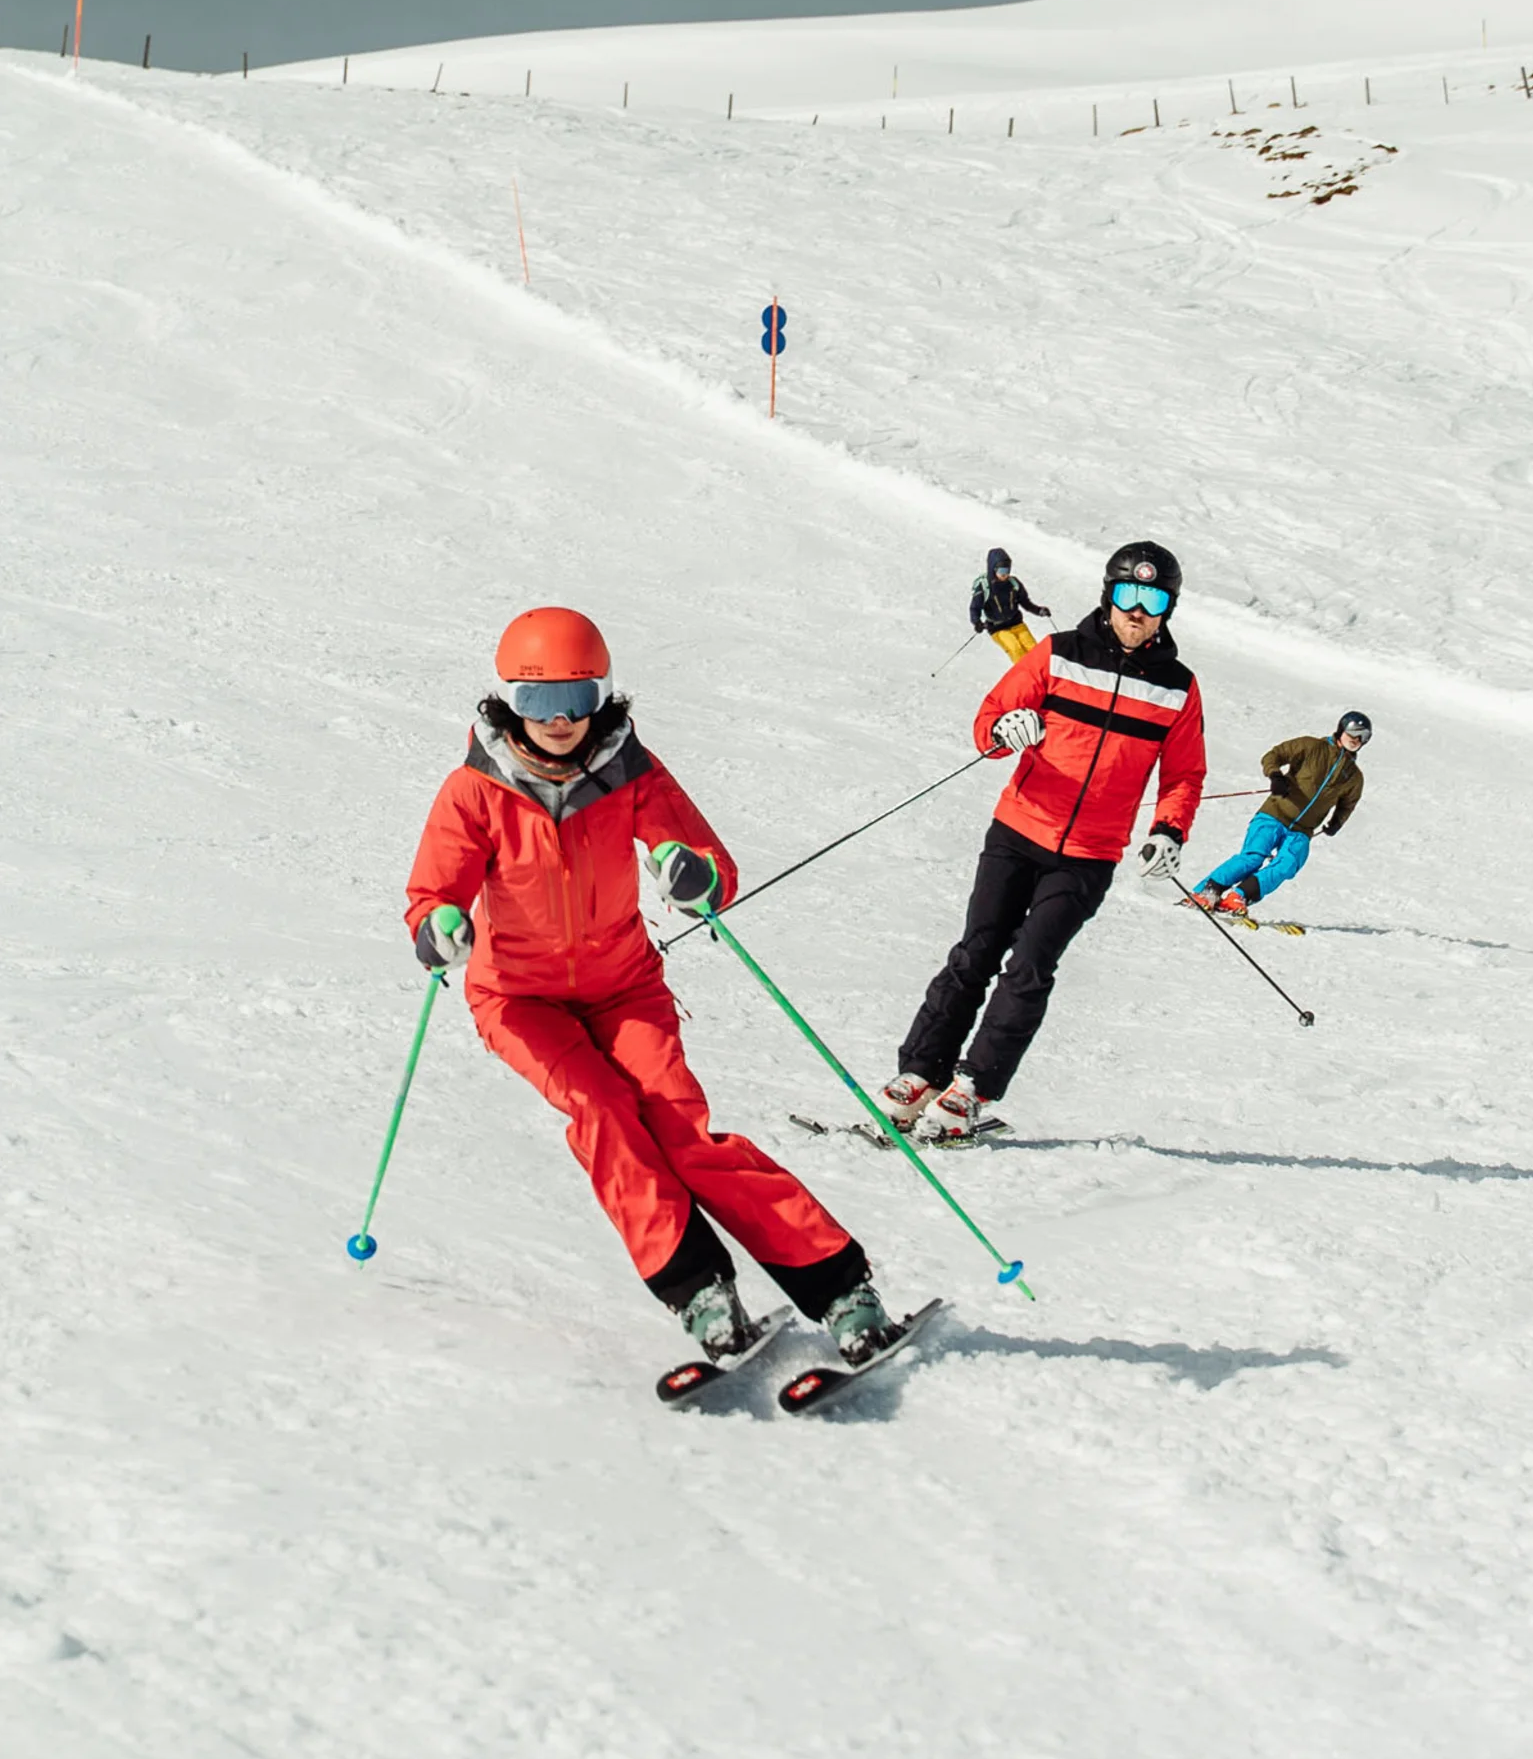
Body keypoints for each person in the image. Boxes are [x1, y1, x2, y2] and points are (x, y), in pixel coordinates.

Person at [404, 606, 905, 1367]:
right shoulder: (475, 790)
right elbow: (433, 891)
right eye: (540, 702)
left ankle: (840, 1288)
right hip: (519, 998)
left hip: (624, 985)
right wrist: (439, 927)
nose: (562, 720)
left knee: (680, 1126)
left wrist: (691, 872)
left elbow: (701, 855)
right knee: (602, 1110)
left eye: (579, 698)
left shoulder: (630, 769)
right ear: (508, 700)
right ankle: (700, 1291)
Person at [880, 542, 1206, 1141]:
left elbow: (1184, 774)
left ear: (1168, 609)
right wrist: (1005, 730)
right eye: (1128, 595)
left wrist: (1168, 829)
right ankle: (919, 1073)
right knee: (976, 952)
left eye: (1153, 600)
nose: (1138, 611)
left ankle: (973, 1087)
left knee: (1030, 967)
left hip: (1089, 855)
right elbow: (991, 718)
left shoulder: (1177, 689)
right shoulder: (1058, 655)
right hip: (1019, 830)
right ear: (1109, 595)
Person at [1187, 713, 1371, 917]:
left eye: (1363, 736)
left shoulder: (1354, 777)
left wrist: (1337, 822)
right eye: (1353, 732)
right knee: (1253, 857)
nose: (1356, 739)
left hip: (1302, 830)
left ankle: (1239, 896)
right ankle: (1207, 891)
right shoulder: (1311, 746)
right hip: (1275, 814)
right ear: (1341, 729)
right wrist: (1275, 775)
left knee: (1287, 864)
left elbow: (1348, 804)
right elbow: (1273, 755)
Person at [968, 547, 1051, 664]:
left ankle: (1043, 673)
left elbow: (1025, 602)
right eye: (1001, 571)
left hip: (1016, 623)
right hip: (998, 628)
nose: (1005, 575)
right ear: (993, 569)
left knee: (1033, 648)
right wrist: (977, 622)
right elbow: (975, 608)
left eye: (1007, 571)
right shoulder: (984, 587)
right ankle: (1026, 676)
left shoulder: (1013, 584)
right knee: (1015, 649)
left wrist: (1039, 610)